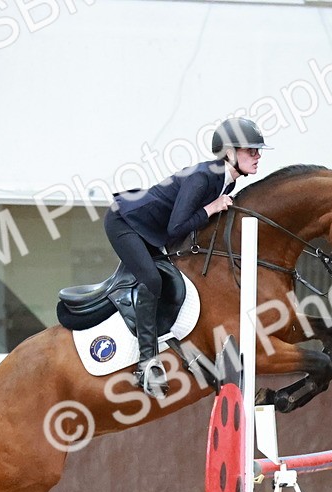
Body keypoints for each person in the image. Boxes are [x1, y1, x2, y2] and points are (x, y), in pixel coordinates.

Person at [105, 116, 270, 397]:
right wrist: (213, 207)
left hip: (151, 230)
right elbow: (176, 228)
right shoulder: (204, 177)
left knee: (173, 282)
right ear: (229, 152)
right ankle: (146, 365)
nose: (257, 156)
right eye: (250, 150)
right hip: (126, 221)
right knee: (153, 281)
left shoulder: (226, 183)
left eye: (258, 150)